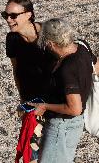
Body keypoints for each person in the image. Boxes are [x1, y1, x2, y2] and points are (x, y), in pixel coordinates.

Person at [28, 18, 98, 163]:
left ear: (50, 44)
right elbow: (96, 67)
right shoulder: (82, 47)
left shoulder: (66, 69)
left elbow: (75, 108)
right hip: (73, 126)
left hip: (62, 126)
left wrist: (45, 106)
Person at [1, 0, 53, 163]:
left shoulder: (48, 34)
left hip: (54, 101)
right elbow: (16, 70)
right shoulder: (12, 39)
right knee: (31, 152)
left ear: (29, 14)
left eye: (13, 16)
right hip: (32, 102)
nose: (8, 20)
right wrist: (23, 99)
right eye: (5, 15)